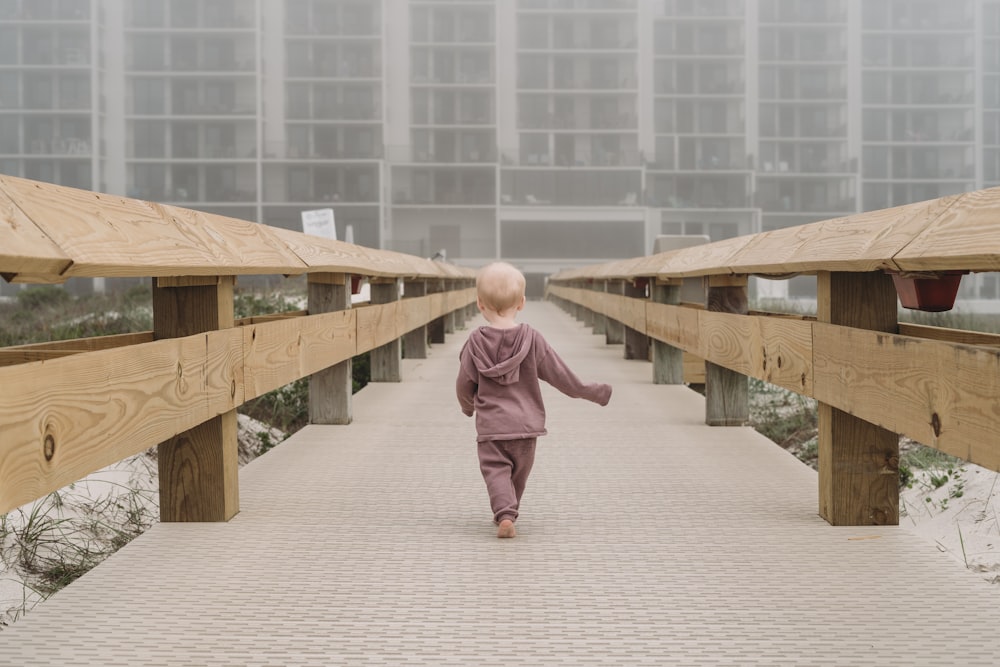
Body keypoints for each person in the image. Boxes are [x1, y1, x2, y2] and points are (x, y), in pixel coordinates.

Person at [456, 262, 612, 538]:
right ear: (522, 303)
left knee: (496, 471)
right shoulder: (532, 339)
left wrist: (468, 407)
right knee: (518, 474)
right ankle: (509, 510)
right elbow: (562, 376)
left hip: (492, 428)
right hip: (527, 428)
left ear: (480, 304)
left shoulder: (475, 343)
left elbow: (464, 383)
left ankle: (505, 512)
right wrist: (592, 391)